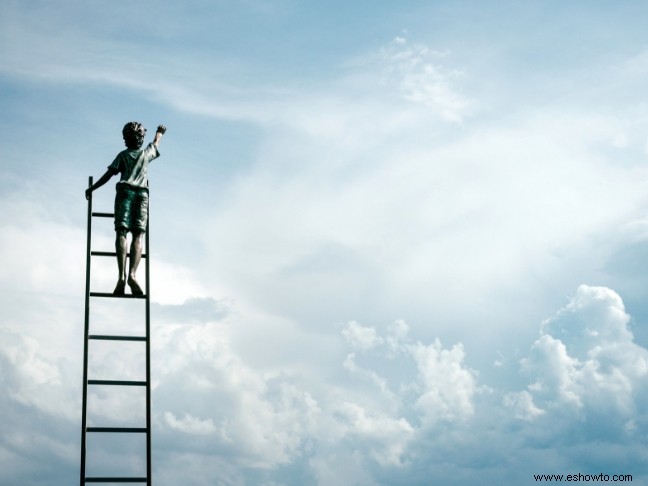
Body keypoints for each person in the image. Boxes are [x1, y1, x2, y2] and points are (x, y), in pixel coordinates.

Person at [85, 122, 166, 295]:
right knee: (138, 235)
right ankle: (132, 275)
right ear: (141, 138)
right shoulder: (145, 154)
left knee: (121, 232)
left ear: (126, 139)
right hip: (142, 194)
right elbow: (156, 143)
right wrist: (159, 133)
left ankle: (121, 276)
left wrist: (93, 189)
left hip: (125, 193)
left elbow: (109, 175)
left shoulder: (123, 155)